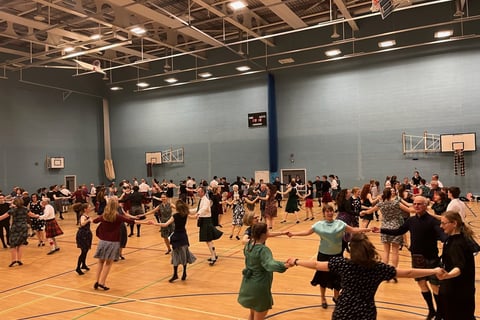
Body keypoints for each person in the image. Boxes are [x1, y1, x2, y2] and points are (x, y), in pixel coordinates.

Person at [287, 233, 445, 320]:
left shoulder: (342, 264)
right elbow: (409, 273)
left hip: (343, 311)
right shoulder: (378, 269)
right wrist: (433, 271)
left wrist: (296, 261)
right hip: (366, 312)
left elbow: (316, 265)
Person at [374, 195, 448, 320]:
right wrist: (381, 229)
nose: (416, 206)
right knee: (422, 284)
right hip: (416, 257)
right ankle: (431, 310)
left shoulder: (433, 221)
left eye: (419, 204)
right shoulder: (411, 221)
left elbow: (443, 236)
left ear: (425, 206)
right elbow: (399, 231)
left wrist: (449, 239)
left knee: (435, 287)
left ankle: (440, 313)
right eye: (414, 204)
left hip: (431, 258)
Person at [287, 205, 372, 308]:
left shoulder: (340, 224)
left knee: (338, 278)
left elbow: (353, 230)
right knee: (322, 278)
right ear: (324, 213)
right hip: (323, 255)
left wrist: (368, 229)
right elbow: (306, 232)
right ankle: (323, 298)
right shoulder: (319, 225)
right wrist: (293, 234)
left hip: (337, 255)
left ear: (333, 212)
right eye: (327, 211)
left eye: (331, 211)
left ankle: (336, 297)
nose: (330, 213)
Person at [90, 196, 150, 290]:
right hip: (113, 242)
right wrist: (146, 223)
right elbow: (131, 221)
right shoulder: (117, 216)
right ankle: (102, 282)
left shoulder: (104, 216)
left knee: (100, 262)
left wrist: (88, 219)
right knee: (108, 263)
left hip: (102, 242)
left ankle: (97, 281)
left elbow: (94, 221)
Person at [237, 222, 290, 320]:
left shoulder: (248, 245)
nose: (269, 233)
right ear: (263, 234)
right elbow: (270, 264)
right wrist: (284, 265)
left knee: (252, 315)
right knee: (259, 316)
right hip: (259, 285)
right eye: (267, 231)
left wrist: (282, 233)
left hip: (248, 283)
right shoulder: (263, 250)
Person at [361, 187, 412, 278]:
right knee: (395, 251)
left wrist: (363, 212)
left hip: (384, 227)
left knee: (386, 251)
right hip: (396, 227)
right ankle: (394, 272)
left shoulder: (381, 204)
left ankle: (385, 271)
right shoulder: (396, 203)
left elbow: (369, 211)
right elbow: (409, 210)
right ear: (391, 194)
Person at [437, 211, 476, 320]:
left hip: (457, 291)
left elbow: (459, 267)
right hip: (461, 290)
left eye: (444, 223)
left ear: (454, 223)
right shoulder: (459, 238)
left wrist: (447, 275)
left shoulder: (457, 244)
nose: (441, 226)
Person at [152, 199, 197, 282]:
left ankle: (175, 274)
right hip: (183, 236)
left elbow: (165, 224)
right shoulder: (185, 214)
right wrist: (200, 213)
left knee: (175, 255)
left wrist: (155, 224)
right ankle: (184, 273)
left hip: (176, 236)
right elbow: (194, 217)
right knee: (184, 255)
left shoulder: (175, 216)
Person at [0, 197, 38, 266]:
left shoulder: (12, 210)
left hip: (15, 228)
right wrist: (38, 216)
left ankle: (13, 260)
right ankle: (19, 260)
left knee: (13, 244)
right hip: (23, 227)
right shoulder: (25, 209)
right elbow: (32, 215)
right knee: (20, 244)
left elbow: (2, 217)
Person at [190, 187, 223, 265]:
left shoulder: (206, 201)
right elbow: (198, 209)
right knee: (209, 240)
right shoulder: (202, 200)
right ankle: (214, 254)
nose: (197, 193)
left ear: (203, 192)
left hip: (206, 221)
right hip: (203, 221)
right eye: (197, 191)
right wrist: (187, 210)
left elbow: (204, 209)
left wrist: (197, 214)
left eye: (199, 192)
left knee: (208, 241)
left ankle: (213, 257)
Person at [74, 203, 93, 275]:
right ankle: (78, 268)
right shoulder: (83, 216)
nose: (90, 208)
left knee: (86, 250)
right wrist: (88, 220)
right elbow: (82, 224)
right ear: (85, 209)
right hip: (83, 235)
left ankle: (83, 265)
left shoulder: (87, 215)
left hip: (86, 234)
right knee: (83, 251)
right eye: (89, 207)